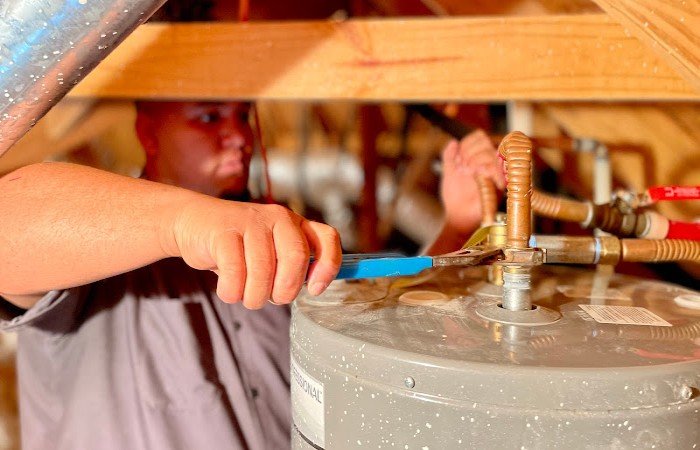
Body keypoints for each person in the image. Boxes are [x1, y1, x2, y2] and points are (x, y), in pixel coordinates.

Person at [0, 99, 342, 449]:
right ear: (148, 134)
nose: (241, 135)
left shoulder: (275, 245)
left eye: (243, 116)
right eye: (209, 117)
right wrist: (183, 221)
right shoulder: (95, 257)